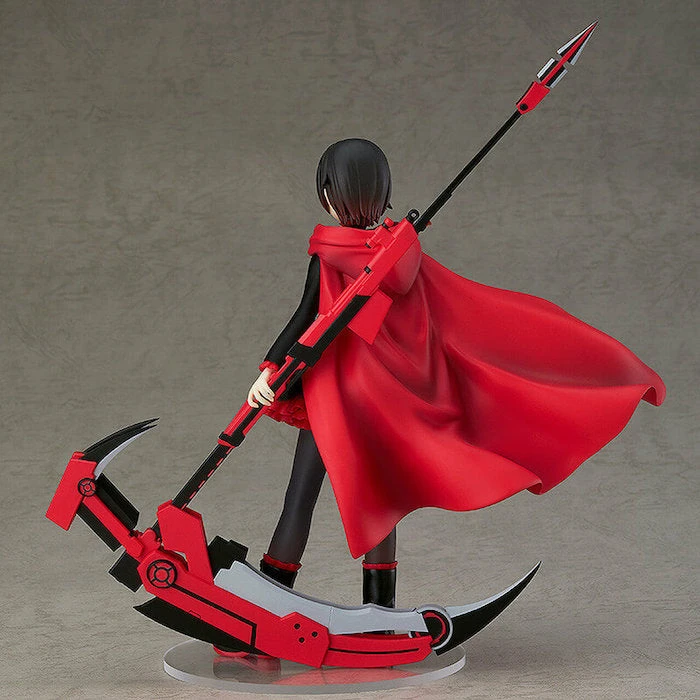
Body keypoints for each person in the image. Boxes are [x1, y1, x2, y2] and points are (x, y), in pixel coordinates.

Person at [246, 137, 665, 610]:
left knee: (301, 495)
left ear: (329, 193)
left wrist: (270, 369)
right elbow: (424, 324)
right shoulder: (399, 253)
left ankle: (268, 598)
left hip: (334, 396)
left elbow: (305, 317)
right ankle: (380, 612)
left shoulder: (334, 253)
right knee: (382, 500)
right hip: (382, 399)